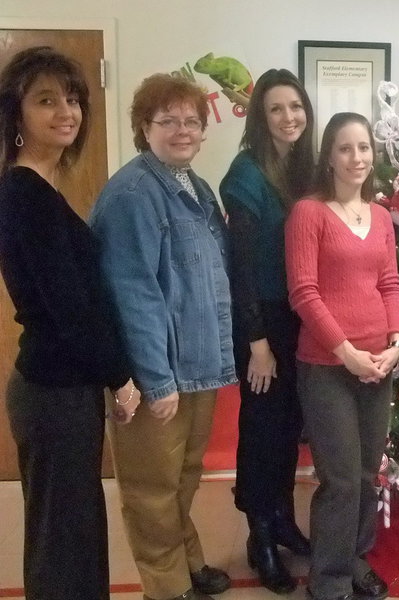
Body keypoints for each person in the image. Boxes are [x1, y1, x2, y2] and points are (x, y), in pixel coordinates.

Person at [89, 74, 237, 600]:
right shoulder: (133, 193)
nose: (182, 130)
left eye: (191, 121)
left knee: (182, 479)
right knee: (151, 490)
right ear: (143, 128)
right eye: (167, 120)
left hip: (199, 365)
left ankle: (187, 562)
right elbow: (135, 296)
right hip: (161, 374)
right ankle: (166, 587)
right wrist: (155, 379)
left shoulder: (195, 186)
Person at [0, 46, 137, 600]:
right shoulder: (24, 193)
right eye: (46, 100)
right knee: (64, 536)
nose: (67, 111)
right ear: (17, 115)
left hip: (63, 389)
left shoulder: (41, 187)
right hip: (54, 391)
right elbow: (70, 310)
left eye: (73, 99)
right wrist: (121, 377)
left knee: (72, 529)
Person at [285, 112, 399, 600]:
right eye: (345, 148)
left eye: (364, 148)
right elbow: (304, 292)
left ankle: (355, 558)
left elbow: (390, 282)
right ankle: (328, 581)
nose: (357, 157)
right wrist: (348, 352)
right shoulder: (308, 214)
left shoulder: (378, 215)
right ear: (329, 157)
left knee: (365, 474)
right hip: (327, 366)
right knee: (339, 480)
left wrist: (396, 342)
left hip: (380, 365)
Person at [219, 68, 314, 594]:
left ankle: (282, 519)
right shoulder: (245, 175)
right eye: (276, 108)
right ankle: (259, 535)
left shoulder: (302, 168)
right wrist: (257, 344)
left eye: (296, 107)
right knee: (261, 431)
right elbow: (242, 268)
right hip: (262, 322)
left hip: (300, 317)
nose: (288, 117)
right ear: (261, 116)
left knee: (288, 427)